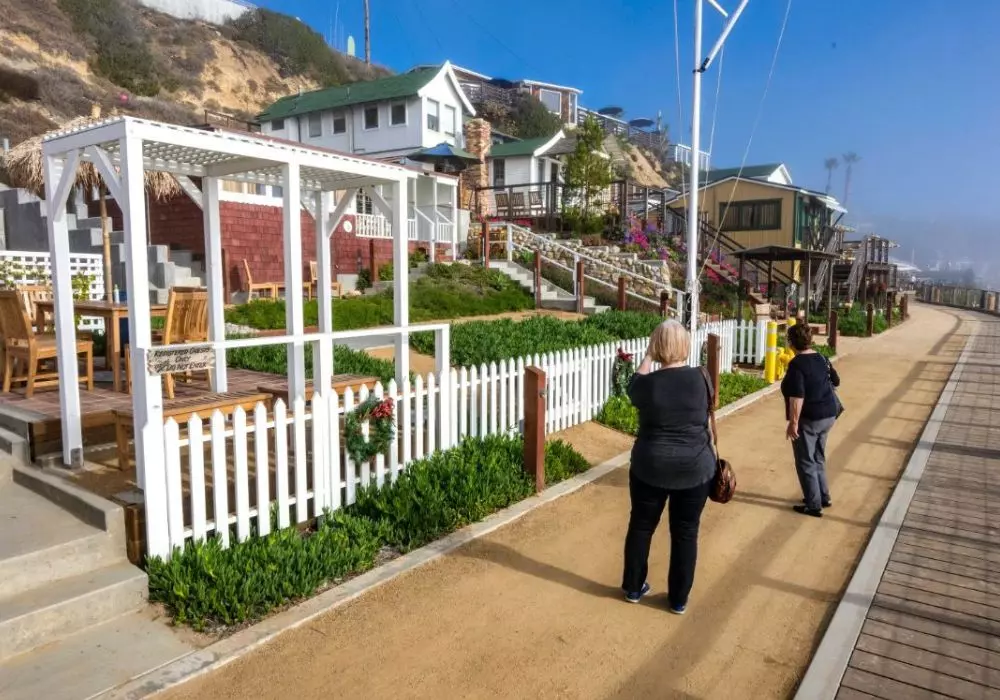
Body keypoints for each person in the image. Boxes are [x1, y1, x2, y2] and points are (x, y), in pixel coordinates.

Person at [621, 319, 715, 615]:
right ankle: (678, 599)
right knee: (686, 532)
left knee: (641, 526)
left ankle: (634, 588)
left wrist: (649, 356)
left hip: (651, 464)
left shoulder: (647, 385)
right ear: (685, 345)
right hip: (695, 465)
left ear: (657, 346)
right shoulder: (702, 377)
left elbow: (632, 387)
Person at [781, 323, 840, 518]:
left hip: (810, 418)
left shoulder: (797, 364)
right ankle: (824, 496)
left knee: (805, 461)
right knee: (818, 457)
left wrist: (793, 423)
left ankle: (814, 505)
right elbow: (836, 381)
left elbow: (797, 396)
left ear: (792, 343)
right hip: (829, 415)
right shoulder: (822, 358)